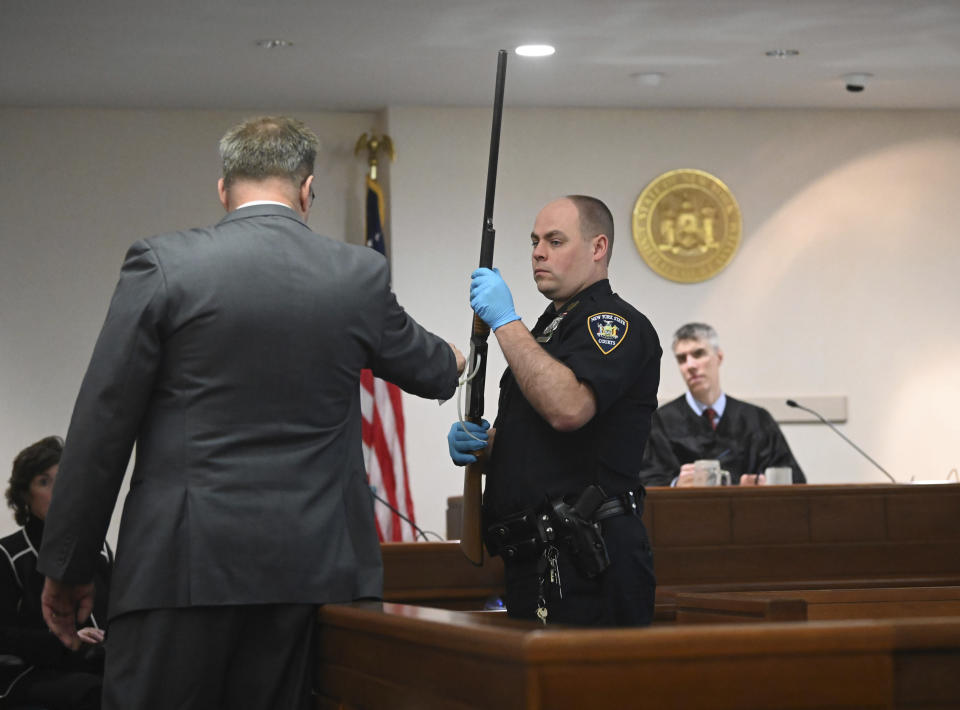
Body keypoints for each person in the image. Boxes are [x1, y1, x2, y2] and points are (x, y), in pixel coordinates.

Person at [36, 116, 464, 710]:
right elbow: (435, 370)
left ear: (223, 189)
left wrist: (69, 566)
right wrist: (466, 347)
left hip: (179, 570)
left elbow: (102, 426)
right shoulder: (357, 276)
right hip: (313, 576)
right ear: (308, 190)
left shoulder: (163, 266)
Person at [447, 195, 661, 627]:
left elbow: (568, 408)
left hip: (589, 558)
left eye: (555, 241)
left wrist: (506, 322)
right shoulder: (549, 331)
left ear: (598, 248)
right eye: (534, 241)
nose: (538, 252)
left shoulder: (612, 323)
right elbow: (544, 442)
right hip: (536, 557)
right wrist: (487, 447)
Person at [1, 436, 111, 710]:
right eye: (44, 481)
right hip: (33, 672)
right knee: (93, 694)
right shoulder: (8, 554)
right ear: (24, 495)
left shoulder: (97, 548)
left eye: (64, 479)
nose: (58, 489)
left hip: (99, 663)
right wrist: (65, 641)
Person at [638, 322, 805, 487]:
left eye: (698, 354)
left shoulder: (757, 419)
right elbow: (645, 480)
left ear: (719, 357)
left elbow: (792, 478)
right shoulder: (660, 422)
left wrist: (763, 484)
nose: (690, 365)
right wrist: (675, 484)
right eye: (682, 359)